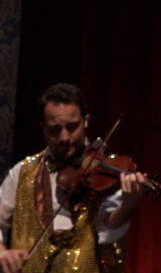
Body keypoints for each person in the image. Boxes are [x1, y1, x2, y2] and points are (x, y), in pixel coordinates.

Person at [0, 83, 150, 273]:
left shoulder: (106, 173)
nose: (64, 137)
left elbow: (109, 241)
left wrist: (128, 206)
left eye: (72, 127)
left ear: (85, 122)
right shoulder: (22, 172)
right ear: (42, 127)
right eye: (55, 129)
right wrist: (2, 253)